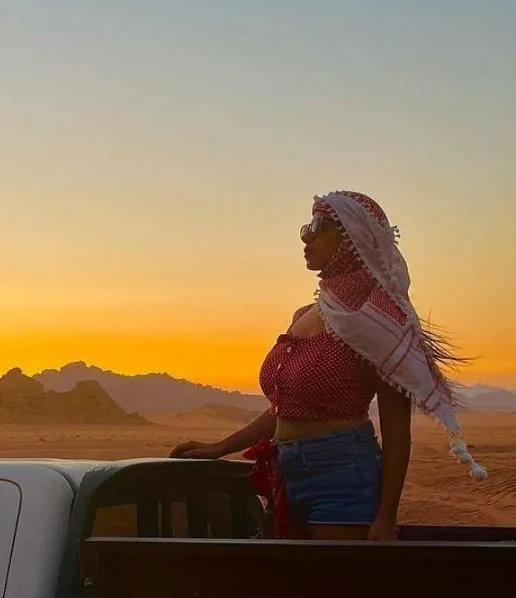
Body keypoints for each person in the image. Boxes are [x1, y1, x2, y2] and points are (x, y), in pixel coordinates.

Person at [172, 190, 486, 540]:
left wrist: (386, 517)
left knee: (328, 589)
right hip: (286, 473)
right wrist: (221, 447)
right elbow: (286, 409)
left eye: (319, 226)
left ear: (353, 237)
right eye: (306, 227)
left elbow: (397, 432)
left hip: (342, 475)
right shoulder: (304, 316)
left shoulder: (379, 322)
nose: (306, 236)